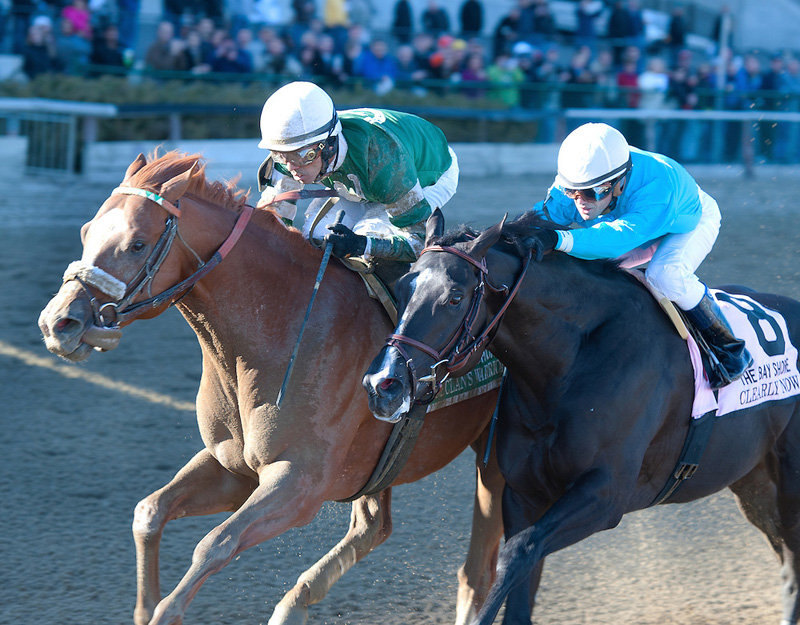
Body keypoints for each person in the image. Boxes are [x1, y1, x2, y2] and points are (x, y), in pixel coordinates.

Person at [528, 122, 752, 388]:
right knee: (586, 267)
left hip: (688, 221)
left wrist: (559, 238)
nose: (580, 202)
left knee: (664, 276)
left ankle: (730, 347)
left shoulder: (658, 187)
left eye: (590, 193)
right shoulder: (582, 177)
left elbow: (617, 239)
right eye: (572, 192)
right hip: (637, 222)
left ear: (619, 183)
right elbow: (544, 216)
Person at [255, 81, 459, 269]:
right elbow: (272, 223)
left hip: (427, 175)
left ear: (329, 145)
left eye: (304, 156)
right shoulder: (291, 146)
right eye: (281, 156)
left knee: (369, 246)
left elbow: (419, 243)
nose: (291, 167)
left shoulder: (383, 160)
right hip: (366, 178)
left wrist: (362, 244)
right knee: (316, 236)